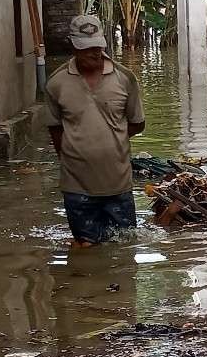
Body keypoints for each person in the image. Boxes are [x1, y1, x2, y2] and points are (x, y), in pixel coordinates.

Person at [45, 15, 146, 247]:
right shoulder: (56, 83)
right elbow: (55, 129)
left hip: (118, 183)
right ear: (73, 45)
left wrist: (111, 139)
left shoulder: (125, 79)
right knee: (85, 248)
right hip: (76, 185)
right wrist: (76, 151)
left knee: (124, 248)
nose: (94, 53)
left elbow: (137, 123)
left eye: (97, 47)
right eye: (86, 48)